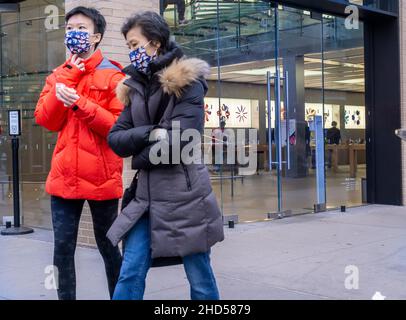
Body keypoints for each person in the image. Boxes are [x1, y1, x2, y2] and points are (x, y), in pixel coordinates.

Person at [106, 11, 224, 300]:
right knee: (130, 270)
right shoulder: (133, 88)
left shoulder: (187, 82)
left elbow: (181, 142)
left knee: (199, 276)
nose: (132, 52)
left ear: (155, 43)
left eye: (135, 44)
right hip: (145, 198)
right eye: (129, 47)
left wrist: (138, 155)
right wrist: (151, 134)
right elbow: (115, 139)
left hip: (185, 196)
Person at [34, 7, 125, 300]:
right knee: (62, 248)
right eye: (70, 27)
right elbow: (46, 120)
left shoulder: (114, 75)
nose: (74, 33)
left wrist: (80, 105)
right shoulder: (59, 75)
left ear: (96, 36)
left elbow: (116, 128)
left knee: (109, 247)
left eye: (82, 28)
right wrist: (70, 76)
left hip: (103, 177)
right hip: (64, 178)